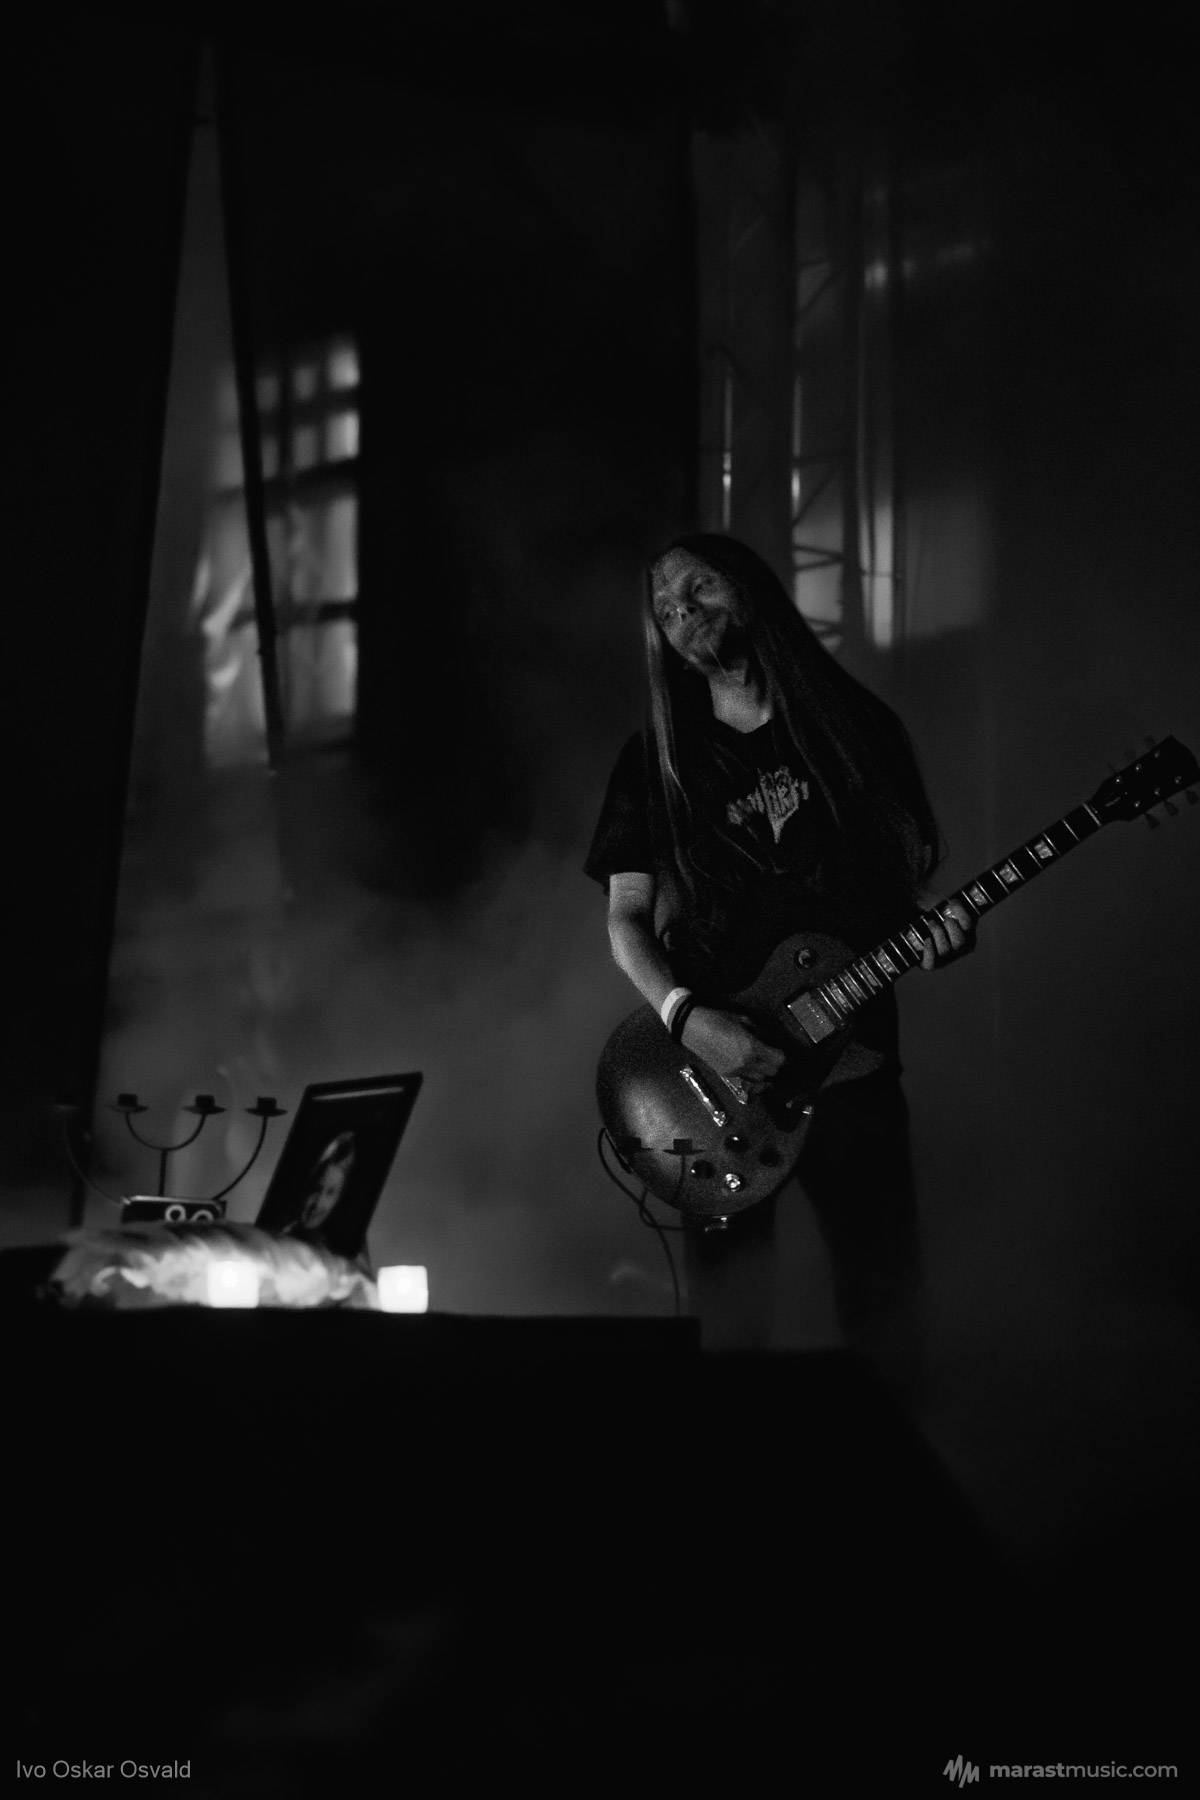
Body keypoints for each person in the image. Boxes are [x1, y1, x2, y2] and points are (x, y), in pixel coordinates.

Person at [585, 533, 974, 1383]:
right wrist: (689, 1020)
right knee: (729, 1335)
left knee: (887, 1319)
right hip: (717, 1077)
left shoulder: (858, 730)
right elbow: (626, 920)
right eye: (665, 609)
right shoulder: (655, 760)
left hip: (853, 1062)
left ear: (749, 588)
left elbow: (896, 893)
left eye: (699, 587)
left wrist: (937, 932)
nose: (684, 612)